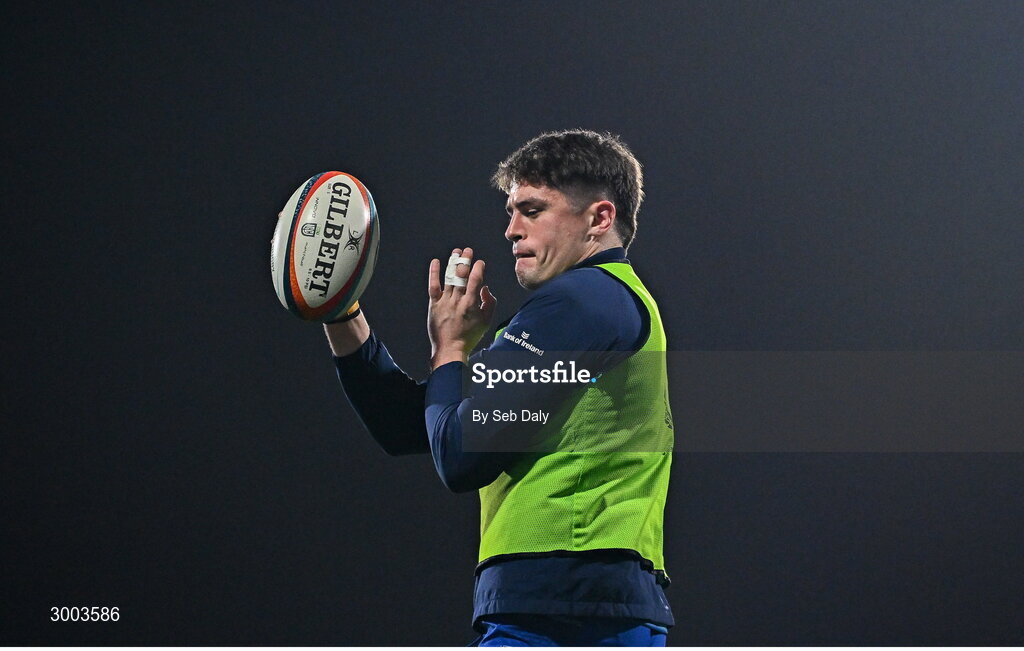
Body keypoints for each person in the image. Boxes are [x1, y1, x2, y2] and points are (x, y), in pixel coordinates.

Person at [323, 129, 674, 646]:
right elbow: (409, 426)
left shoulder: (582, 302)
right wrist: (340, 310)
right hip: (588, 605)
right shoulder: (595, 310)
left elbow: (462, 457)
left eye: (532, 210)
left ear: (599, 219)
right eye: (510, 212)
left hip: (563, 611)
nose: (511, 230)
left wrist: (450, 347)